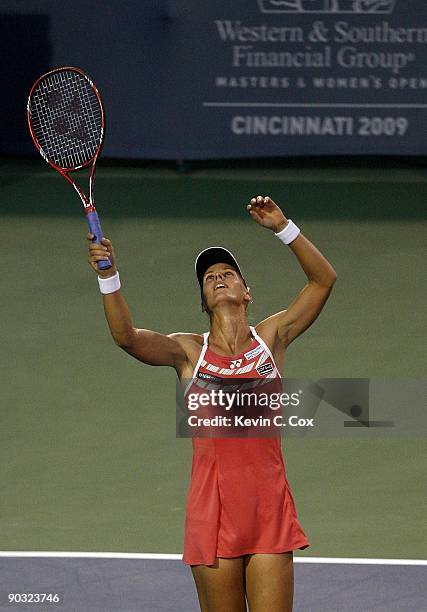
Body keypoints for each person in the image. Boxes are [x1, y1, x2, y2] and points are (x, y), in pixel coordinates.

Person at [87, 195, 337, 612]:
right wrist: (109, 276)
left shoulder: (271, 338)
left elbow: (323, 281)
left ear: (247, 293)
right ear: (204, 300)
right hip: (213, 514)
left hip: (268, 508)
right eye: (209, 278)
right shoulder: (188, 351)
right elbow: (126, 336)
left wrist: (283, 228)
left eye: (228, 273)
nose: (219, 278)